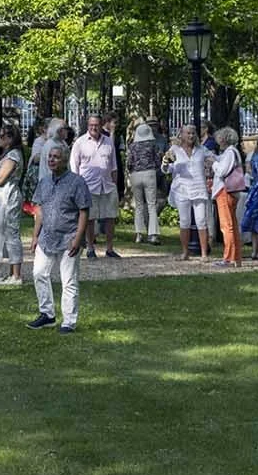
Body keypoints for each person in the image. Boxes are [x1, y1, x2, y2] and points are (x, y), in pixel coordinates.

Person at [27, 142, 91, 333]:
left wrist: (78, 238)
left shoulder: (77, 182)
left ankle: (68, 321)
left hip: (68, 238)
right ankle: (47, 314)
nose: (51, 160)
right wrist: (35, 236)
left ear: (65, 159)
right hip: (46, 237)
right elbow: (39, 210)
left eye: (56, 157)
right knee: (39, 273)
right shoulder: (44, 182)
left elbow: (84, 212)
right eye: (50, 157)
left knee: (68, 280)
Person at [71, 114, 120, 259]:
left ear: (101, 125)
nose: (94, 128)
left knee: (110, 216)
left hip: (107, 185)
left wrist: (114, 184)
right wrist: (77, 187)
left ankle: (110, 248)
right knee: (90, 218)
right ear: (88, 126)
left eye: (96, 125)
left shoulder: (108, 142)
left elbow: (113, 165)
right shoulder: (80, 143)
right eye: (91, 125)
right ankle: (90, 247)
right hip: (88, 186)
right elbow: (75, 167)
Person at [161, 124, 213, 261]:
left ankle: (204, 254)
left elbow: (215, 159)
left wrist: (214, 163)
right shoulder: (175, 150)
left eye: (193, 133)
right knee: (185, 221)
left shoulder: (202, 150)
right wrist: (165, 163)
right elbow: (166, 169)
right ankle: (185, 252)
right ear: (182, 135)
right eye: (188, 133)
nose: (191, 136)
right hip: (182, 189)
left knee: (201, 220)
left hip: (199, 189)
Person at [0, 123, 26, 285]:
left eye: (1, 136)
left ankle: (16, 275)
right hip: (5, 197)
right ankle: (11, 273)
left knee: (12, 234)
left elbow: (1, 179)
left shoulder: (13, 155)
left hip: (10, 197)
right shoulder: (10, 154)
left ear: (9, 138)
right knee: (8, 234)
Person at [211, 127, 246, 267]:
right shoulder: (232, 152)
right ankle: (236, 257)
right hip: (230, 191)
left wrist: (213, 163)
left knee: (227, 226)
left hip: (225, 191)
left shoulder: (230, 152)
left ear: (223, 139)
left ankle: (229, 258)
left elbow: (221, 171)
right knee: (232, 225)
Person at [127, 122, 162, 245]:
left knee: (139, 205)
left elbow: (129, 163)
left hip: (136, 175)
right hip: (149, 173)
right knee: (152, 205)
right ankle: (152, 235)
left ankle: (138, 234)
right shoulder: (153, 145)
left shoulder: (132, 146)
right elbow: (158, 161)